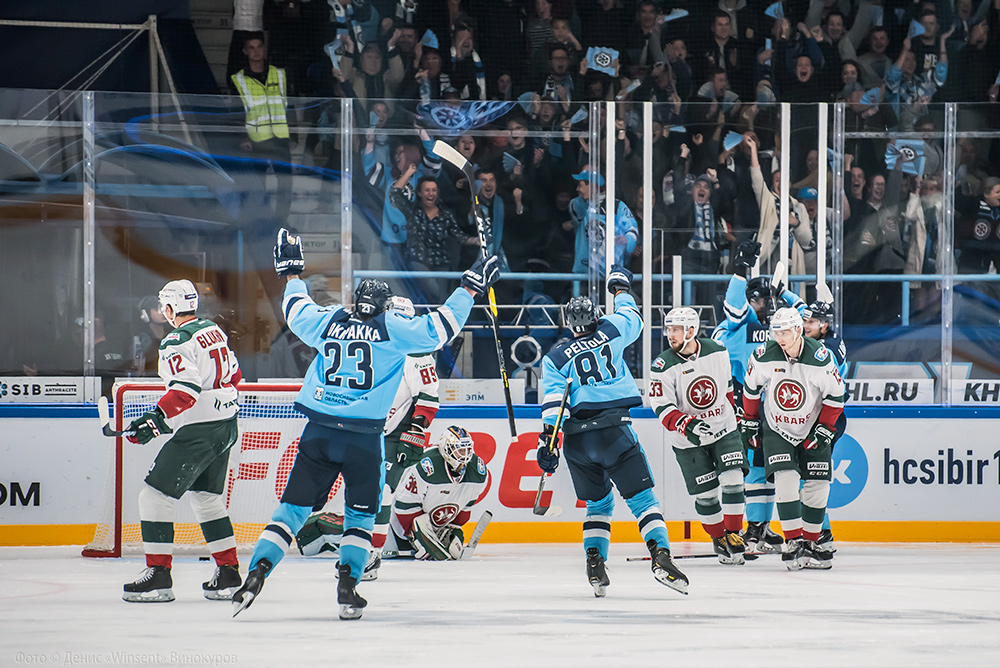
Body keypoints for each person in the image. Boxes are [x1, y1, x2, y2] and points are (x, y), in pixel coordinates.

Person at [232, 229, 498, 620]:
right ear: (384, 307)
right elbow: (441, 328)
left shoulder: (332, 320)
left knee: (290, 511)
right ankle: (348, 586)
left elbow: (295, 310)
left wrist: (291, 274)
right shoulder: (393, 329)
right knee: (359, 517)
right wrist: (469, 288)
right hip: (364, 440)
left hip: (318, 433)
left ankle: (256, 574)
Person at [536, 265, 688, 598]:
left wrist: (547, 443)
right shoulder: (611, 329)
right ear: (594, 317)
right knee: (643, 501)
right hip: (614, 433)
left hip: (577, 443)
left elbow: (552, 404)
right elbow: (633, 316)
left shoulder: (555, 357)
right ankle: (661, 556)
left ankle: (595, 564)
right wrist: (619, 286)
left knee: (598, 505)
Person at [121, 279, 243, 603]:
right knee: (207, 499)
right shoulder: (213, 330)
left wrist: (155, 420)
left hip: (200, 431)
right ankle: (229, 574)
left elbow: (186, 391)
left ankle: (159, 577)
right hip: (226, 425)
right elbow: (235, 376)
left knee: (154, 497)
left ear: (170, 308)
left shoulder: (175, 341)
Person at [710, 238, 804, 555]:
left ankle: (761, 528)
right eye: (763, 300)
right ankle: (751, 527)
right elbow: (733, 312)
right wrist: (740, 272)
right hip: (747, 407)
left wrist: (782, 291)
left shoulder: (782, 328)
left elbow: (806, 317)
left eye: (769, 300)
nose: (767, 306)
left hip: (781, 408)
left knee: (769, 469)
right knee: (753, 468)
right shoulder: (736, 327)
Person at [740, 308, 846, 571]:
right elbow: (751, 388)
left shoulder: (821, 358)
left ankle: (811, 542)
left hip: (813, 426)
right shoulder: (764, 355)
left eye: (785, 332)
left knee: (817, 486)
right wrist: (751, 421)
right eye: (777, 332)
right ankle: (793, 542)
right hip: (778, 428)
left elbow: (836, 396)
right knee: (786, 480)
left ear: (798, 330)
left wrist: (824, 429)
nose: (780, 337)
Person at [650, 307, 747, 565]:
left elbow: (727, 388)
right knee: (706, 495)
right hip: (687, 440)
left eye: (676, 329)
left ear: (691, 331)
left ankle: (735, 534)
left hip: (724, 428)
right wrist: (687, 425)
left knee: (733, 478)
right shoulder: (662, 365)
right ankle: (719, 538)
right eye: (668, 329)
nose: (670, 334)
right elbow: (661, 407)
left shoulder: (717, 350)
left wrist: (735, 419)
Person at [385, 425, 488, 560]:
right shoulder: (426, 467)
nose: (465, 455)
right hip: (397, 531)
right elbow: (404, 504)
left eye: (468, 450)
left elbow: (466, 504)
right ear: (446, 449)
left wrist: (454, 528)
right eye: (460, 450)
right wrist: (414, 535)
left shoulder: (477, 471)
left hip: (433, 529)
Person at [231, 32, 293, 223]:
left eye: (259, 47)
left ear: (264, 49)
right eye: (252, 47)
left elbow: (289, 104)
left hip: (280, 136)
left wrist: (295, 133)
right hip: (256, 138)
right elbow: (236, 111)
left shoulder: (280, 74)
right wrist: (243, 137)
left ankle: (281, 221)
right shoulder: (238, 80)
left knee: (285, 184)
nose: (256, 52)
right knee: (259, 184)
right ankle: (261, 221)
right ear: (245, 51)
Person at [802, 299, 848, 552]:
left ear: (825, 324)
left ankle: (821, 532)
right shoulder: (830, 338)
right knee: (808, 476)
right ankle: (817, 531)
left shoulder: (825, 349)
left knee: (813, 477)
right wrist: (784, 294)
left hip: (827, 418)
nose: (805, 326)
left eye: (810, 322)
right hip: (818, 416)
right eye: (804, 321)